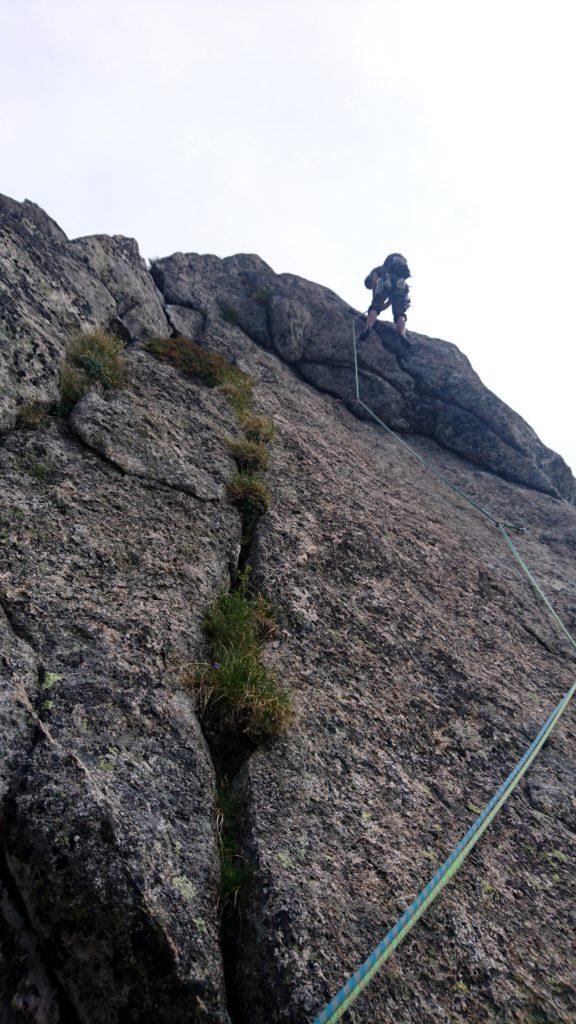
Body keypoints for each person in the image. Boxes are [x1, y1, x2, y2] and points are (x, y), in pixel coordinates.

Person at [359, 253, 411, 340]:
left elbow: (376, 281)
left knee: (374, 307)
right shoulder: (394, 269)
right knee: (399, 313)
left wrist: (376, 302)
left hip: (385, 279)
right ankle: (402, 334)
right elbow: (391, 299)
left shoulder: (377, 271)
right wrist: (384, 305)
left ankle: (367, 328)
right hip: (400, 283)